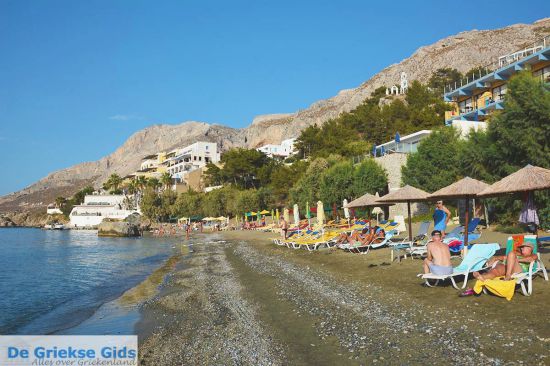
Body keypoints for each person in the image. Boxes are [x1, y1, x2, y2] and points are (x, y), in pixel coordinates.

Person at [473, 242, 537, 281]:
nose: (521, 248)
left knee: (511, 254)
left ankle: (508, 276)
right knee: (495, 270)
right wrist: (495, 258)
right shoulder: (517, 254)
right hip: (508, 267)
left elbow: (530, 259)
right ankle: (482, 277)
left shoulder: (533, 255)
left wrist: (515, 259)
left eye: (523, 247)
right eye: (521, 247)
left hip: (519, 270)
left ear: (530, 248)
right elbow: (505, 257)